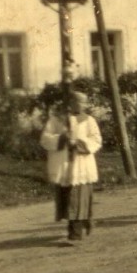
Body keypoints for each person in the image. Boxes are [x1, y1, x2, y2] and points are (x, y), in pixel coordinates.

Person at [39, 91, 102, 242]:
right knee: (67, 198)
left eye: (86, 102)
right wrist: (61, 138)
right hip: (64, 166)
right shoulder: (57, 119)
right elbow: (44, 139)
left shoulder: (89, 120)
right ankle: (84, 220)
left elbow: (96, 139)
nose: (85, 105)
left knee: (79, 197)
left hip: (81, 165)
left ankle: (75, 232)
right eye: (82, 101)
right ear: (71, 102)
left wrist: (80, 143)